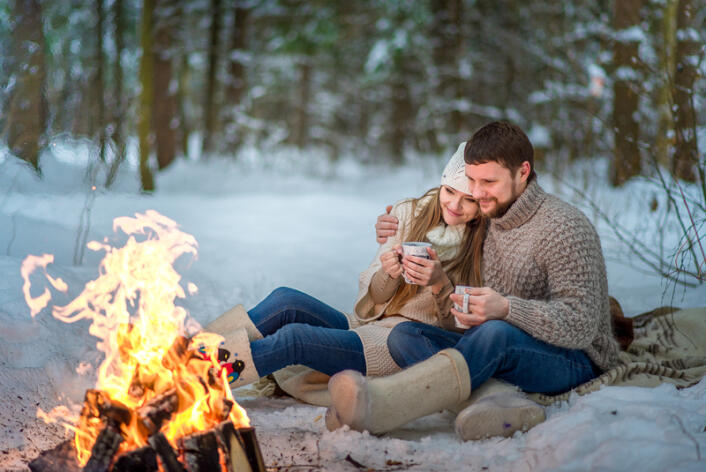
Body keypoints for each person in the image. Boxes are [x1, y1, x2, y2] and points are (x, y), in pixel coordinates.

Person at [325, 121, 621, 440]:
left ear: (523, 172)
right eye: (472, 181)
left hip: (571, 359)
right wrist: (395, 222)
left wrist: (507, 309)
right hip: (497, 345)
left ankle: (381, 406)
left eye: (488, 182)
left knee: (496, 332)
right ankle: (496, 401)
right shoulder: (488, 218)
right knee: (405, 335)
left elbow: (581, 325)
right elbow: (442, 214)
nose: (476, 193)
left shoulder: (563, 228)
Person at [201, 144, 487, 395]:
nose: (454, 205)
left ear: (483, 201)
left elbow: (456, 331)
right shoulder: (408, 213)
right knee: (284, 300)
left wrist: (439, 284)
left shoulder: (483, 246)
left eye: (469, 199)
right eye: (449, 191)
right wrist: (388, 273)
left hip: (392, 347)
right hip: (366, 327)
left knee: (295, 339)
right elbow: (372, 298)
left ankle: (194, 383)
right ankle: (189, 356)